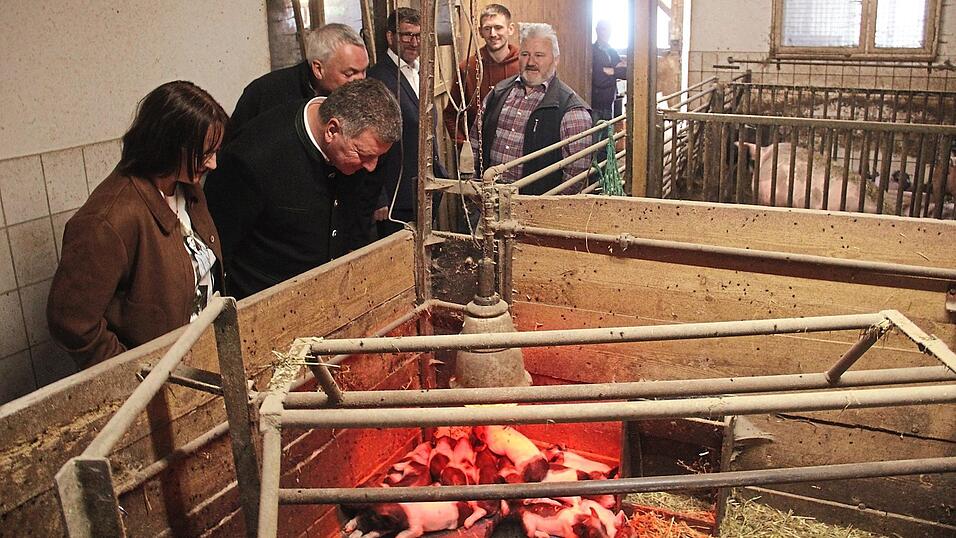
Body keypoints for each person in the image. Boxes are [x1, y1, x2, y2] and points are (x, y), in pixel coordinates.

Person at [47, 81, 227, 368]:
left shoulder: (188, 186)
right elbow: (70, 322)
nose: (213, 164)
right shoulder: (107, 220)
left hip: (197, 356)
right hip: (157, 377)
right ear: (168, 146)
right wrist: (131, 371)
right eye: (205, 153)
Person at [204, 78, 401, 299]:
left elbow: (357, 213)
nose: (371, 166)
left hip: (327, 295)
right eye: (364, 156)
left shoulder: (362, 147)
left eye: (378, 157)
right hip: (267, 301)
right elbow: (219, 248)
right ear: (332, 130)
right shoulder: (253, 158)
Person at [471, 23, 592, 195]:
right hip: (489, 201)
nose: (531, 62)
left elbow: (575, 178)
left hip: (535, 211)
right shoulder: (498, 92)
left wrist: (543, 212)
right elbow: (476, 142)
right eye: (525, 54)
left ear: (556, 59)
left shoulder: (572, 111)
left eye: (539, 55)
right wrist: (475, 192)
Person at [367, 7, 446, 238]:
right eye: (407, 35)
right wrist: (378, 197)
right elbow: (370, 140)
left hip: (422, 189)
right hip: (395, 197)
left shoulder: (420, 72)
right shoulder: (379, 79)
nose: (414, 42)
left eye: (419, 35)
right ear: (390, 37)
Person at [225, 23, 369, 142]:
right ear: (318, 69)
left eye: (364, 71)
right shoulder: (267, 92)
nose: (360, 80)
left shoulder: (360, 98)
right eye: (350, 73)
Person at [442, 3, 519, 147]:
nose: (493, 34)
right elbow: (451, 115)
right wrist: (465, 146)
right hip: (482, 158)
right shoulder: (467, 69)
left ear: (510, 29)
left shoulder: (525, 66)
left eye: (498, 27)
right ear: (480, 32)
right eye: (487, 28)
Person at [591, 19, 626, 138]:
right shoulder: (591, 51)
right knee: (594, 138)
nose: (607, 33)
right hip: (595, 102)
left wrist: (613, 71)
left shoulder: (611, 51)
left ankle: (605, 157)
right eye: (604, 29)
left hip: (609, 101)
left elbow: (626, 72)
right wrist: (614, 72)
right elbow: (598, 77)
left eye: (609, 30)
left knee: (607, 139)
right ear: (597, 31)